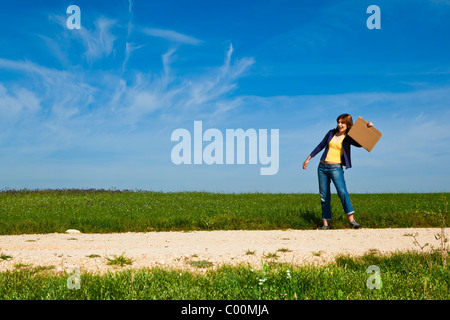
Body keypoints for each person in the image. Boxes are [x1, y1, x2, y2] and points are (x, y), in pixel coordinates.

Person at [302, 114, 373, 230]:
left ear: (348, 125)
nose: (340, 125)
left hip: (336, 168)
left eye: (342, 123)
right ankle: (325, 224)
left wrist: (368, 128)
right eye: (338, 122)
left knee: (342, 192)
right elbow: (320, 146)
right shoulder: (331, 133)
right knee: (324, 196)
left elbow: (361, 143)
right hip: (322, 167)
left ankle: (352, 221)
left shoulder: (349, 137)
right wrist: (308, 158)